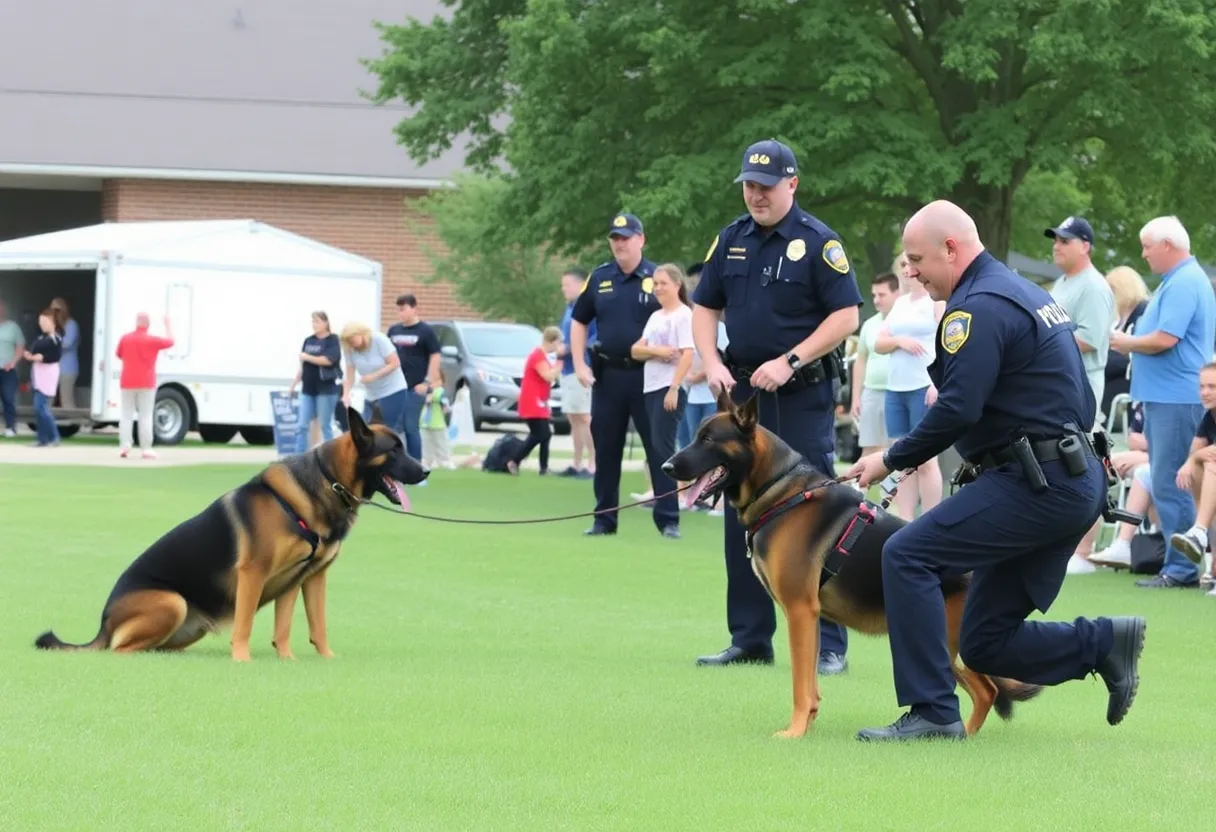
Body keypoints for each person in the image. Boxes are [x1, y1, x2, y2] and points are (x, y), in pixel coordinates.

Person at [847, 199, 1145, 743]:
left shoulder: (976, 307)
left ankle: (933, 713)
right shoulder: (1026, 292)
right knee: (984, 642)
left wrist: (890, 458)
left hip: (1039, 483)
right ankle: (1103, 642)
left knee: (907, 553)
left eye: (916, 259)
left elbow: (958, 408)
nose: (910, 270)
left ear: (952, 249)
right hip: (1067, 480)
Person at [690, 138, 862, 673]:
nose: (755, 195)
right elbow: (704, 306)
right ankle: (749, 637)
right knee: (738, 506)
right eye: (748, 185)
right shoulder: (731, 240)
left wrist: (792, 358)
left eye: (765, 186)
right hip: (743, 396)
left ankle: (830, 642)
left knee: (816, 512)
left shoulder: (818, 243)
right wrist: (710, 362)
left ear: (792, 184)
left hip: (801, 392)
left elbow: (845, 317)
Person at [1110, 215, 1216, 589]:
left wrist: (1126, 343)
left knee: (1173, 481)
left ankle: (1182, 568)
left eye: (1147, 246)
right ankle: (1187, 565)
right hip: (1168, 396)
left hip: (1176, 397)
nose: (1144, 254)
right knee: (1170, 479)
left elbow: (1165, 338)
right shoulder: (1179, 280)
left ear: (1167, 245)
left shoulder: (1185, 282)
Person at [569, 213, 682, 539]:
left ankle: (668, 519)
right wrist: (578, 363)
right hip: (609, 376)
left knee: (660, 448)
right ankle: (604, 519)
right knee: (606, 448)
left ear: (641, 240)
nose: (620, 243)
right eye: (615, 238)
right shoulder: (600, 278)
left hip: (651, 376)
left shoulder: (657, 278)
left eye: (626, 237)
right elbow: (579, 320)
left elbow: (681, 316)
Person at [631, 263, 695, 492]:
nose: (658, 288)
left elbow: (687, 353)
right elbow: (635, 351)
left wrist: (675, 387)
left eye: (663, 283)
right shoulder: (656, 316)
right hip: (651, 385)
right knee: (655, 443)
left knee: (663, 443)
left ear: (677, 285)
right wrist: (658, 351)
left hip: (669, 385)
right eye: (655, 284)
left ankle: (673, 493)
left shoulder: (683, 315)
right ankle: (662, 491)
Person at [386, 294, 442, 464]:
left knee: (410, 426)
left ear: (414, 308)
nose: (399, 313)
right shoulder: (394, 331)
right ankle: (397, 465)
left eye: (403, 309)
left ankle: (416, 466)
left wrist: (427, 382)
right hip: (395, 387)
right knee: (395, 427)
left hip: (415, 386)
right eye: (398, 309)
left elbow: (435, 356)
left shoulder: (425, 331)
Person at [851, 272, 899, 458]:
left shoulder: (906, 321)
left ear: (896, 293)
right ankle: (859, 488)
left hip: (897, 393)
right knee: (869, 448)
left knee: (894, 450)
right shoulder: (869, 325)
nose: (876, 300)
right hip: (871, 394)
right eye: (874, 295)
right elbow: (861, 360)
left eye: (882, 295)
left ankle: (892, 489)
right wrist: (856, 397)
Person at [115, 313, 174, 459]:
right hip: (147, 382)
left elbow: (119, 354)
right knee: (145, 415)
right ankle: (146, 447)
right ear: (148, 325)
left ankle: (125, 445)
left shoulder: (125, 338)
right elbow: (171, 341)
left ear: (136, 323)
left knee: (126, 414)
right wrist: (167, 325)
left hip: (127, 381)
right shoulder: (152, 340)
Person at [556, 268, 596, 478]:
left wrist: (570, 348)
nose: (564, 289)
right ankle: (577, 462)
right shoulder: (569, 308)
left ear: (580, 285)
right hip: (568, 369)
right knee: (573, 417)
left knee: (585, 416)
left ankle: (593, 464)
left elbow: (592, 338)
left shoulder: (588, 307)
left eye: (567, 285)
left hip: (583, 368)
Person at [508, 326, 563, 475]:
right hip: (532, 400)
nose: (558, 347)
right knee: (540, 433)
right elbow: (548, 376)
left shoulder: (542, 356)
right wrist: (560, 362)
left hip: (540, 401)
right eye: (558, 343)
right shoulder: (537, 356)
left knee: (544, 434)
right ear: (552, 341)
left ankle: (543, 468)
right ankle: (514, 460)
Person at [288, 311, 342, 452]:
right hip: (308, 388)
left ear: (326, 323)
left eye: (317, 321)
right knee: (302, 425)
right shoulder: (309, 340)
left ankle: (331, 455)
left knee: (325, 425)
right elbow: (303, 366)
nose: (314, 325)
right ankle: (298, 458)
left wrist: (307, 357)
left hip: (326, 389)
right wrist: (293, 384)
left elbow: (329, 360)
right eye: (313, 322)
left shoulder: (332, 340)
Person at [24, 308, 63, 447]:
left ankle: (54, 436)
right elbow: (34, 350)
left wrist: (42, 358)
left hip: (48, 374)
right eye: (40, 321)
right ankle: (42, 438)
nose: (42, 324)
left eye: (44, 321)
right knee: (38, 408)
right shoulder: (40, 338)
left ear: (52, 323)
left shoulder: (56, 338)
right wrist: (31, 356)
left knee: (41, 406)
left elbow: (56, 356)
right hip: (38, 374)